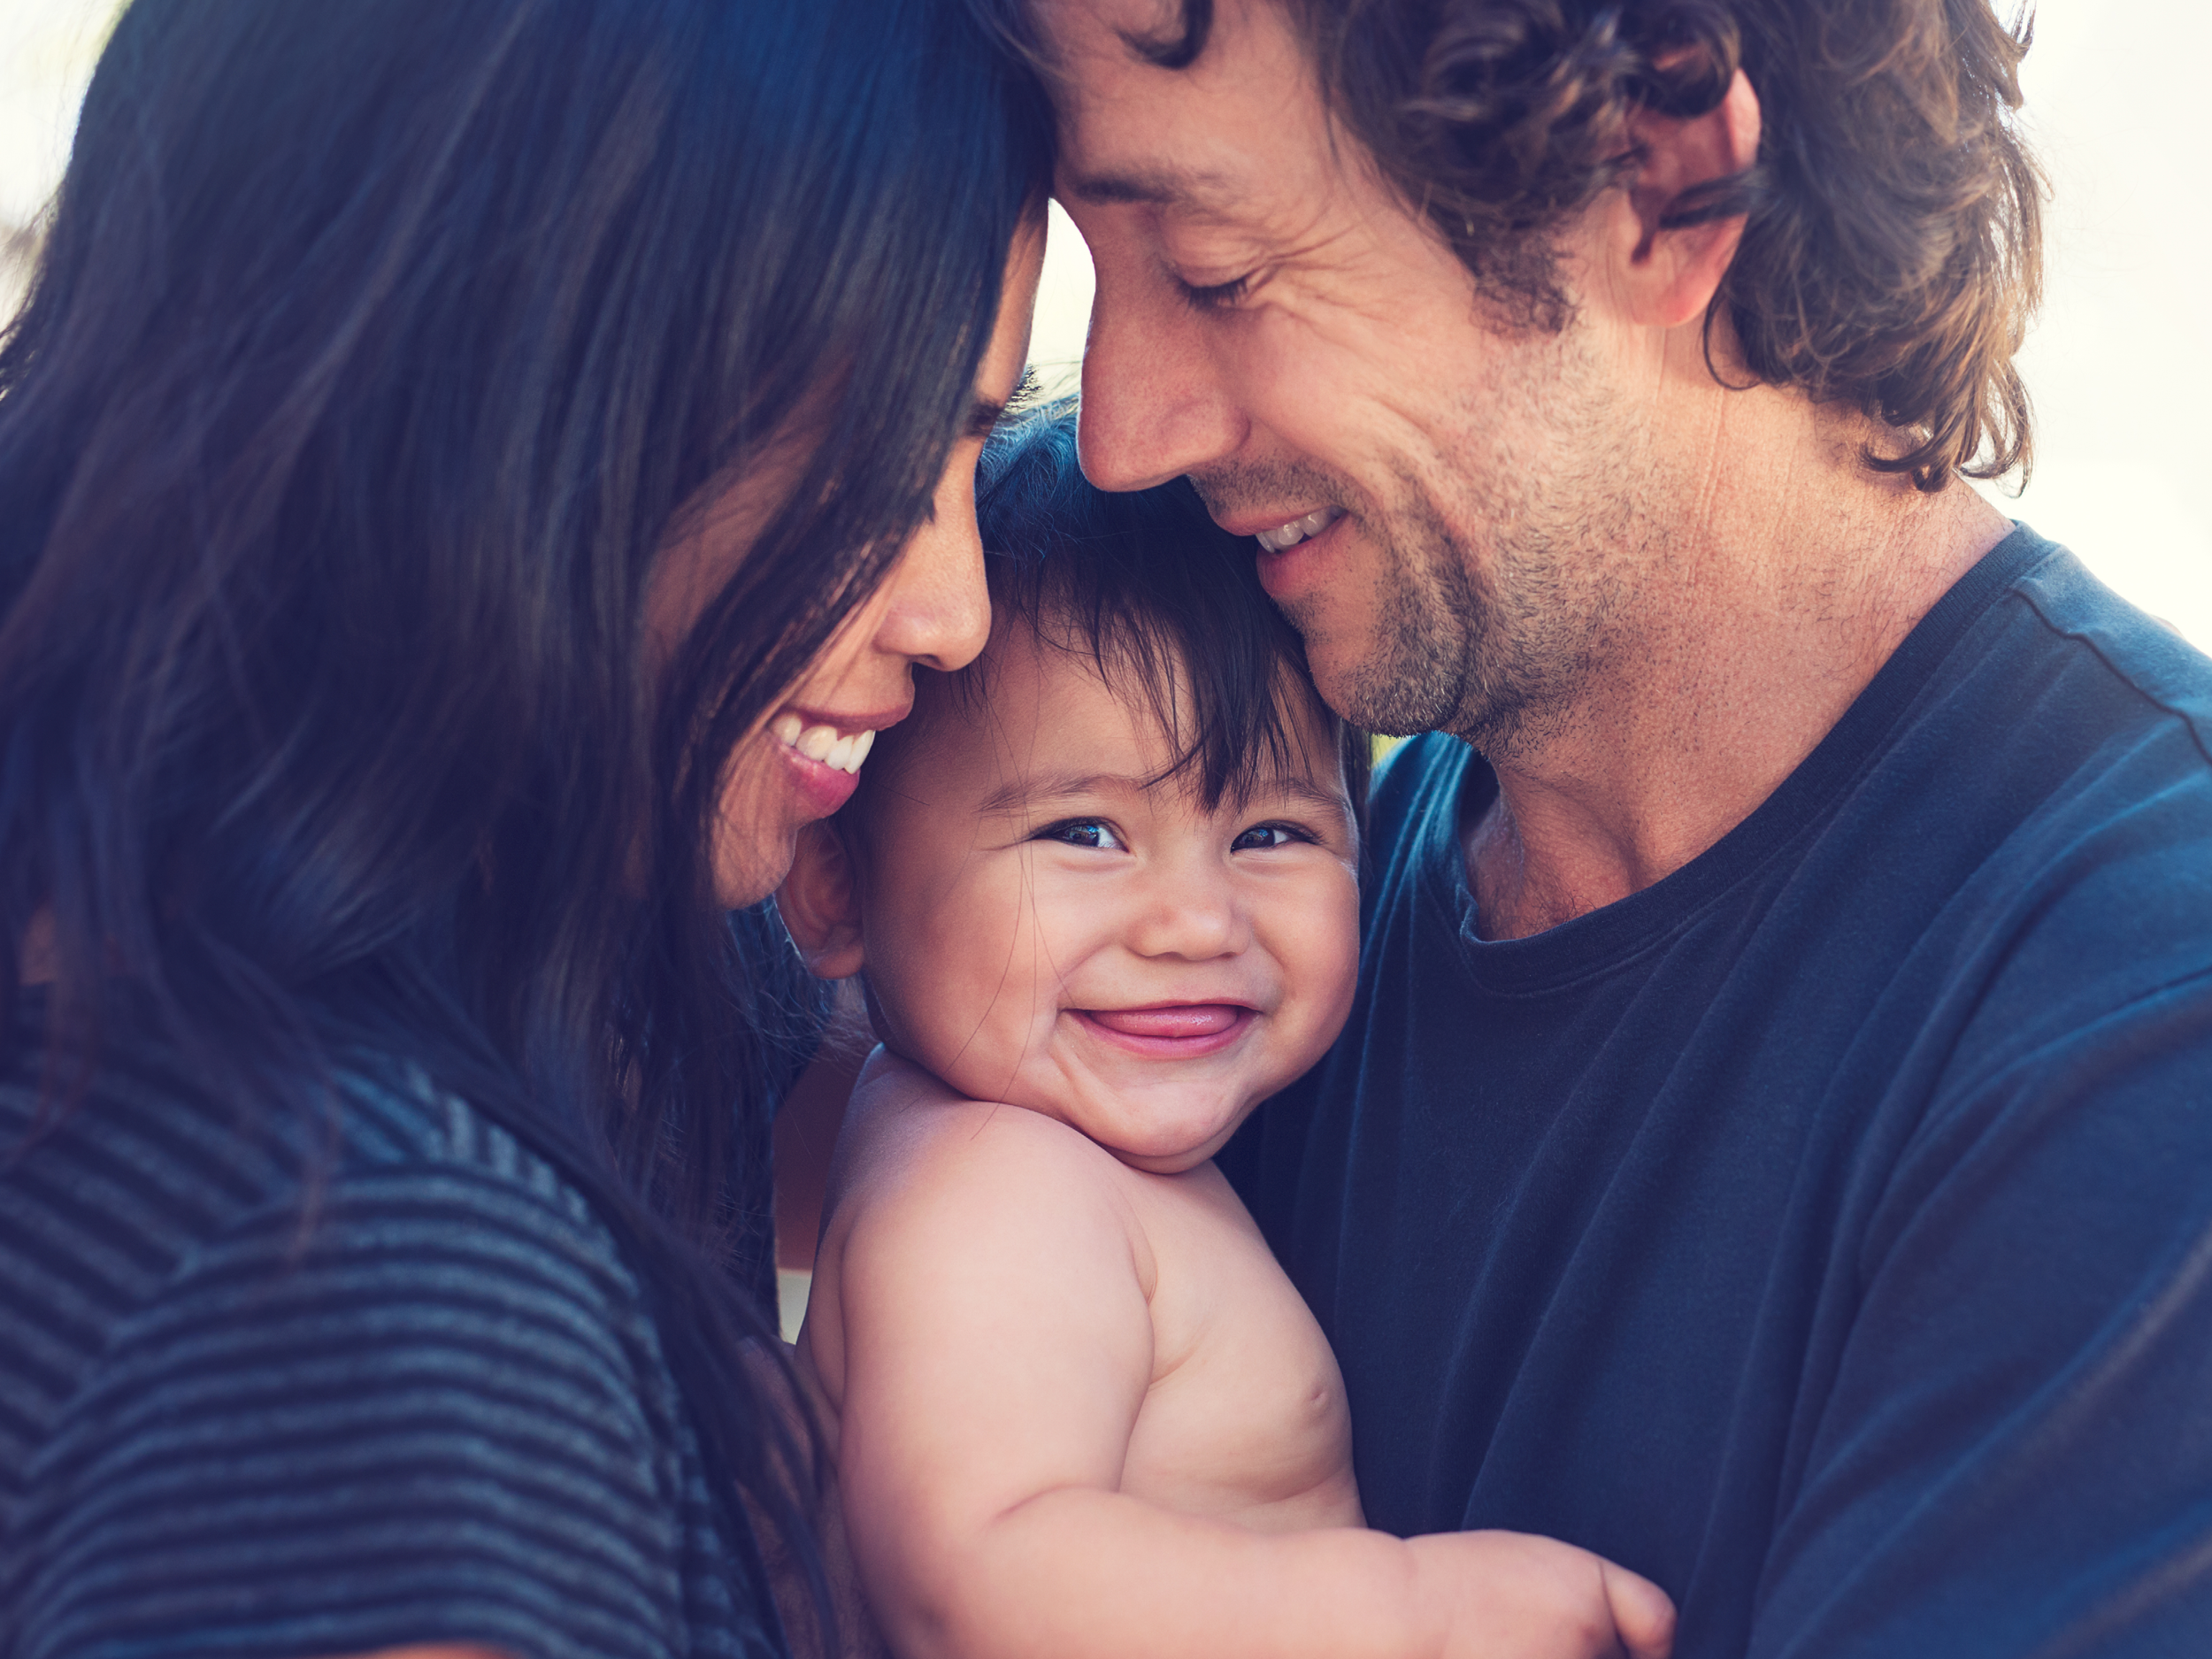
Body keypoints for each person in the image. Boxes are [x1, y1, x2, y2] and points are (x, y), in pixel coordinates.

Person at [951, 0, 2212, 1651]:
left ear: (1655, 177)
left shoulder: (2140, 1013)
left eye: (1215, 272)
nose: (1120, 433)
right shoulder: (1245, 953)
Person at [0, 2, 1046, 1655]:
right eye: (887, 448)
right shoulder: (364, 1291)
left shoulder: (190, 996)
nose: (956, 607)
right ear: (527, 373)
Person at [774, 407, 1674, 1659]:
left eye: (1273, 834)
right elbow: (974, 1575)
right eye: (1083, 833)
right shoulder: (993, 1184)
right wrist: (1414, 1614)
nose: (1197, 921)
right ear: (834, 887)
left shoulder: (1031, 1146)